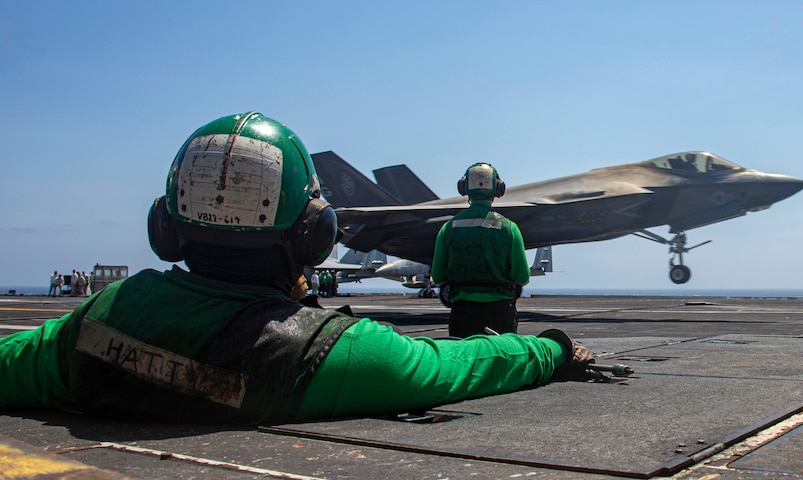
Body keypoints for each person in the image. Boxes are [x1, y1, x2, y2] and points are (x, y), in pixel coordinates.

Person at [0, 112, 595, 425]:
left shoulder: (90, 322)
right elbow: (455, 365)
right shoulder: (329, 354)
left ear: (167, 225)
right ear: (314, 235)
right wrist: (550, 349)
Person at [431, 162, 531, 337]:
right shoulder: (509, 228)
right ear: (498, 189)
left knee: (463, 362)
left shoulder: (448, 228)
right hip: (500, 313)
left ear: (463, 188)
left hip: (462, 312)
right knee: (502, 361)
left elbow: (438, 276)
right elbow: (522, 276)